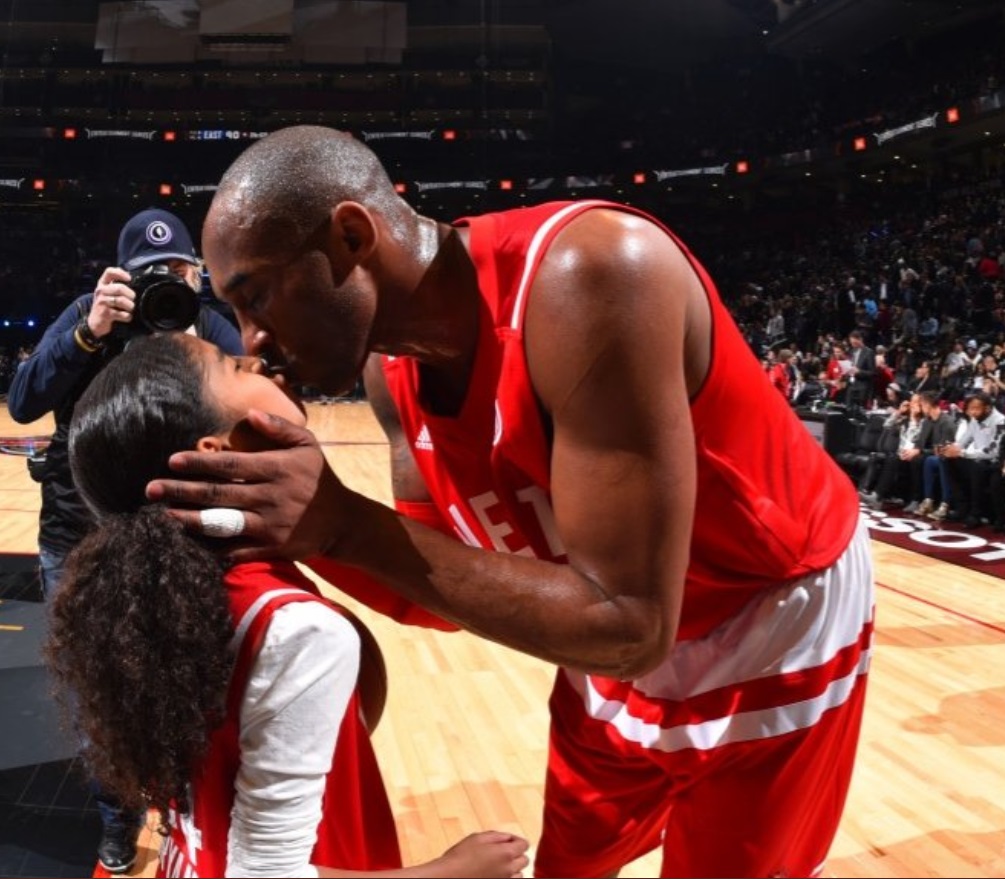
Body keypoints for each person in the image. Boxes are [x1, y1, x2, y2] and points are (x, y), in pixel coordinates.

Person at [148, 126, 875, 879]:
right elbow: (437, 595)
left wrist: (338, 521)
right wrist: (294, 526)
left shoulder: (592, 274)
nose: (254, 337)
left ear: (351, 236)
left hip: (764, 610)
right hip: (605, 629)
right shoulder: (388, 374)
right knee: (568, 863)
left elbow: (632, 623)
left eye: (255, 295)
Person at [45, 333, 530, 879]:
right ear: (219, 451)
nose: (257, 358)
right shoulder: (296, 629)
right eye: (232, 365)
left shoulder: (156, 594)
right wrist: (452, 871)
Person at [7, 207, 243, 874]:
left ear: (194, 270)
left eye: (176, 272)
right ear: (119, 278)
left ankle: (180, 802)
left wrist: (202, 335)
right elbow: (24, 401)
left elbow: (260, 392)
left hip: (176, 534)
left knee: (181, 672)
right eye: (149, 278)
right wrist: (87, 332)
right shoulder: (91, 313)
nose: (161, 289)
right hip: (76, 536)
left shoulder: (202, 321)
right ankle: (117, 817)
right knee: (92, 688)